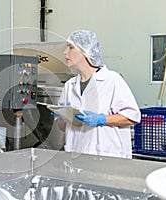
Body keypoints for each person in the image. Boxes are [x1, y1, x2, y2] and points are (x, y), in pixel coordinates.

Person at [57, 30, 141, 159]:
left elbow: (133, 117)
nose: (65, 52)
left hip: (107, 156)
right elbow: (63, 128)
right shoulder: (70, 85)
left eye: (71, 47)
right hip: (76, 155)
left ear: (85, 51)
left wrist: (101, 119)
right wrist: (63, 117)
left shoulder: (112, 80)